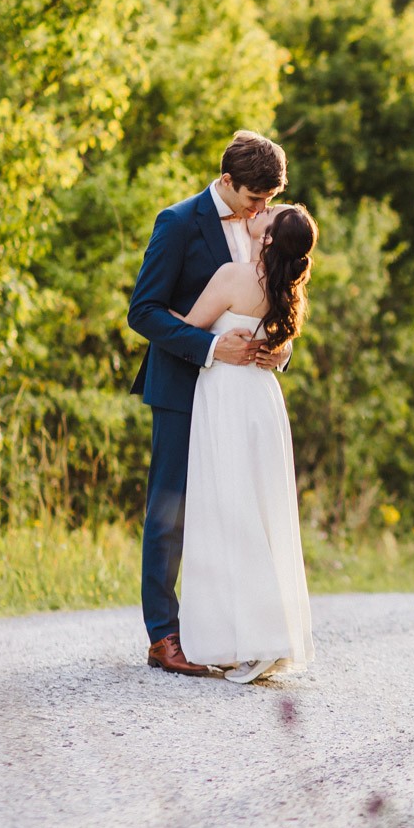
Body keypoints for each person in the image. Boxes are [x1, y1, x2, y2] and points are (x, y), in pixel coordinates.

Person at [127, 131, 289, 676]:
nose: (261, 210)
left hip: (238, 398)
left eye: (268, 200)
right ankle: (163, 636)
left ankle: (221, 633)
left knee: (231, 511)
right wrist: (213, 347)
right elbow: (144, 311)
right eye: (252, 200)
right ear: (226, 181)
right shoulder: (177, 222)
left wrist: (278, 349)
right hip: (181, 386)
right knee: (169, 510)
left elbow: (271, 301)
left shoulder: (263, 226)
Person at [174, 204, 319, 683]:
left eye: (271, 212)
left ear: (270, 239)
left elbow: (189, 326)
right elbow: (280, 344)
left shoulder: (234, 276)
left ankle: (248, 636)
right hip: (262, 400)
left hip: (227, 395)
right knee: (260, 511)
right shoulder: (287, 289)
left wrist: (155, 307)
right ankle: (265, 632)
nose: (263, 210)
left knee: (228, 512)